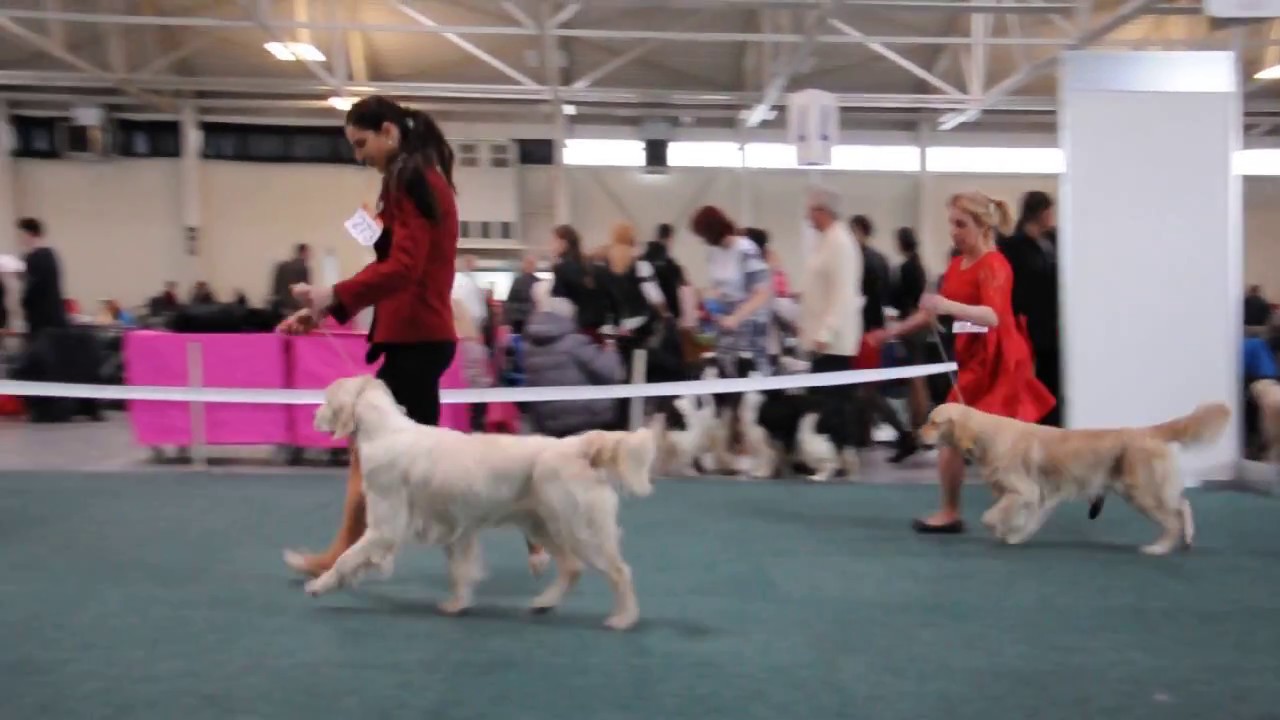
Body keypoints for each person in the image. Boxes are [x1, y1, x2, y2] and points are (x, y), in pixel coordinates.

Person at [278, 95, 543, 576]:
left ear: (388, 132)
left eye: (362, 144)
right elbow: (391, 263)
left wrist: (327, 295)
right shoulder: (413, 179)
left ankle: (346, 554)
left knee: (381, 454)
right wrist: (324, 309)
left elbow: (401, 268)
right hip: (416, 338)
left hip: (416, 339)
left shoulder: (412, 180)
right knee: (428, 459)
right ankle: (529, 521)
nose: (359, 155)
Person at [885, 191, 1055, 534]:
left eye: (961, 224)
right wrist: (896, 330)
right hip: (974, 360)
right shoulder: (956, 264)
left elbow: (992, 316)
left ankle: (1050, 490)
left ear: (982, 226)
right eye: (952, 223)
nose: (953, 231)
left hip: (1001, 361)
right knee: (961, 437)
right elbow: (951, 315)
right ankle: (952, 511)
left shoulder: (995, 265)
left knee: (992, 443)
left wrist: (948, 307)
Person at [797, 188, 863, 456]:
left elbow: (843, 293)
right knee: (823, 400)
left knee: (833, 402)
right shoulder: (826, 240)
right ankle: (827, 454)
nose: (807, 215)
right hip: (821, 339)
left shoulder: (840, 242)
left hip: (833, 341)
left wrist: (826, 330)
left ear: (823, 211)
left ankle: (837, 454)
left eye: (811, 210)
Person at [999, 191, 1061, 426]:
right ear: (1039, 213)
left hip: (1051, 324)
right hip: (1025, 323)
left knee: (1051, 382)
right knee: (1024, 381)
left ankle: (1052, 429)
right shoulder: (1013, 246)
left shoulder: (1052, 242)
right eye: (1049, 212)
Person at [16, 218, 69, 338]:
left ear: (28, 234)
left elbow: (31, 292)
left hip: (42, 324)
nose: (20, 240)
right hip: (56, 320)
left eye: (21, 235)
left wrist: (23, 301)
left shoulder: (34, 258)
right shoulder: (51, 255)